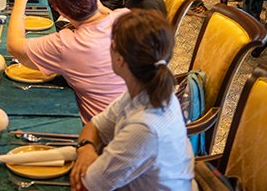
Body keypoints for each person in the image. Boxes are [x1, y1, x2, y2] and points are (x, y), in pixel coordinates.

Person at [71, 10, 195, 191]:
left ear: (120, 59)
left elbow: (86, 185)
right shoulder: (147, 90)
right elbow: (94, 126)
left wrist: (87, 154)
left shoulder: (144, 128)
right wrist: (86, 148)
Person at [7, 0, 128, 122]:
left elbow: (14, 46)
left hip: (104, 129)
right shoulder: (127, 17)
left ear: (60, 12)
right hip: (140, 119)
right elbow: (106, 14)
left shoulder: (67, 44)